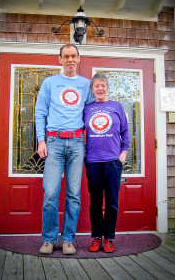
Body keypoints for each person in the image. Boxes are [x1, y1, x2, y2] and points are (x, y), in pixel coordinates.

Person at [35, 44, 94, 255]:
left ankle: (68, 239)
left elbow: (93, 114)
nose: (70, 59)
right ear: (60, 59)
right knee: (50, 192)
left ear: (79, 59)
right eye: (66, 56)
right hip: (54, 142)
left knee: (74, 194)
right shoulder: (50, 83)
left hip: (78, 143)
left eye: (73, 56)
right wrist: (41, 140)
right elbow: (40, 112)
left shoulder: (87, 85)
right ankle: (49, 239)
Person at [83, 73, 130, 253]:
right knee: (95, 202)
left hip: (112, 161)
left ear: (107, 88)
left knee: (111, 201)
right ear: (92, 89)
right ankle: (96, 237)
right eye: (96, 86)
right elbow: (79, 131)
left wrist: (123, 153)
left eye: (103, 85)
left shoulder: (116, 106)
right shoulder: (87, 108)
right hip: (93, 161)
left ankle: (109, 237)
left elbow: (125, 132)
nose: (100, 89)